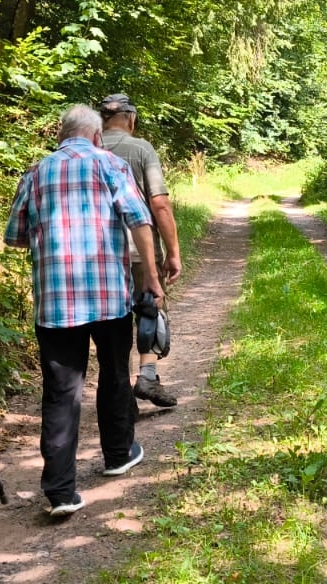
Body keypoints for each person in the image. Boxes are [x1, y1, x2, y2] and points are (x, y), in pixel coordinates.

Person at [4, 104, 165, 516]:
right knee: (113, 373)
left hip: (55, 303)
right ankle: (117, 455)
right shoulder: (109, 164)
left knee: (61, 392)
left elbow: (15, 236)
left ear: (61, 135)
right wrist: (151, 277)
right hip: (108, 296)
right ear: (96, 136)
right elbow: (139, 220)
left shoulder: (36, 172)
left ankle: (60, 492)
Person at [98, 93, 182, 407]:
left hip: (100, 255)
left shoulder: (87, 149)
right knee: (150, 309)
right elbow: (159, 205)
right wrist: (172, 251)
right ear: (131, 118)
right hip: (139, 248)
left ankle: (120, 393)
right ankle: (147, 376)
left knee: (111, 321)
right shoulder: (141, 149)